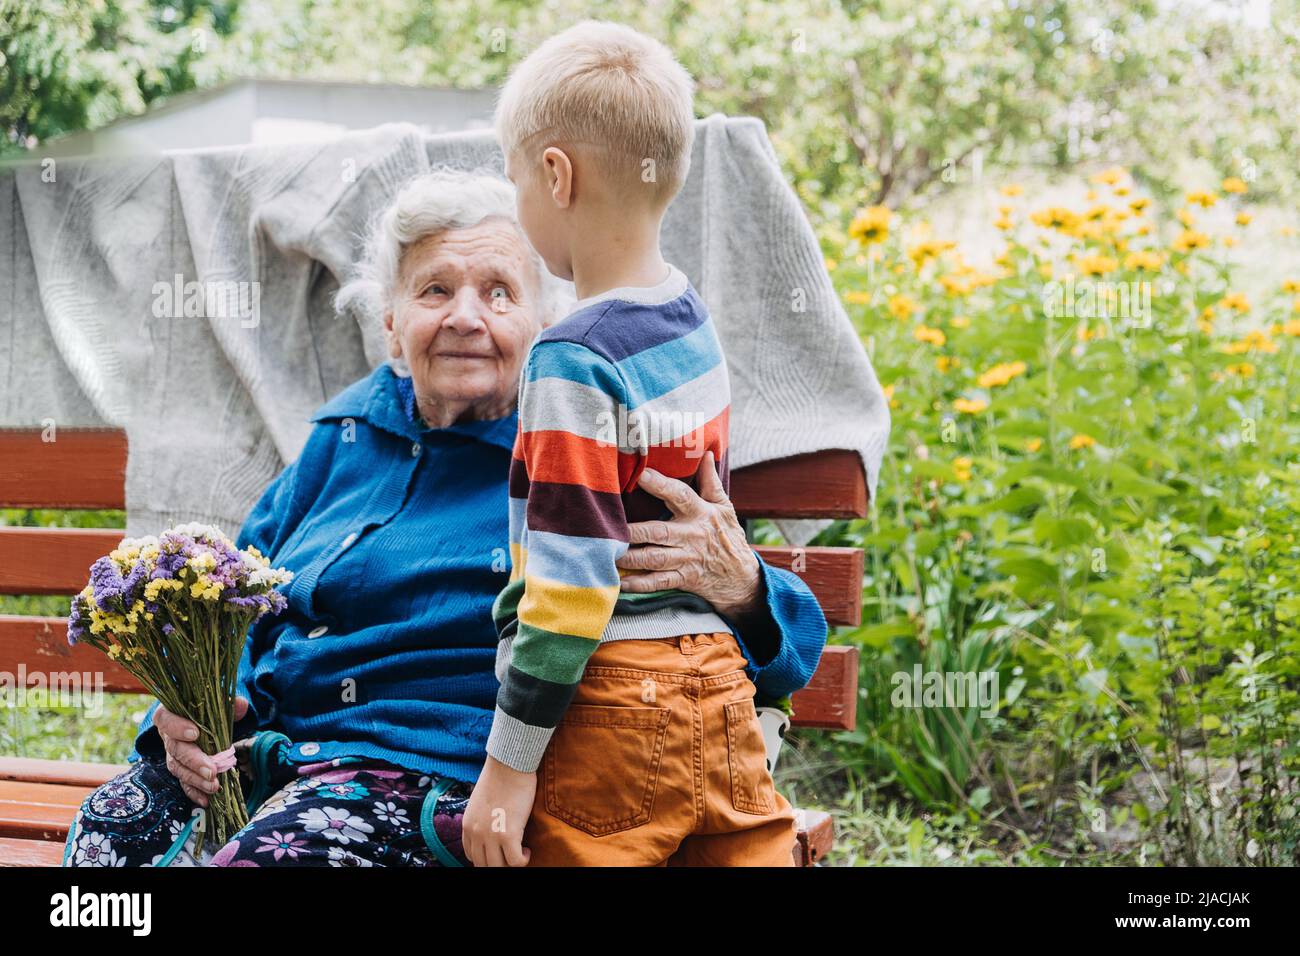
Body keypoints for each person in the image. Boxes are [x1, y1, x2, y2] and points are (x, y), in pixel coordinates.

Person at [62, 167, 827, 868]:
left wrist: (745, 589)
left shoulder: (578, 454)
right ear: (391, 323)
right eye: (434, 292)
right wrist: (191, 714)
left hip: (435, 784)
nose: (466, 316)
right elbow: (237, 598)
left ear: (544, 324)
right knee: (110, 835)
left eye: (499, 292)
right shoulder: (346, 435)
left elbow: (760, 647)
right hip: (268, 761)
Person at [461, 21, 822, 868]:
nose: (519, 202)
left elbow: (569, 579)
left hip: (612, 711)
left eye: (517, 181)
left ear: (556, 175)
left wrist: (508, 769)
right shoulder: (691, 319)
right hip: (721, 692)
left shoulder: (571, 357)